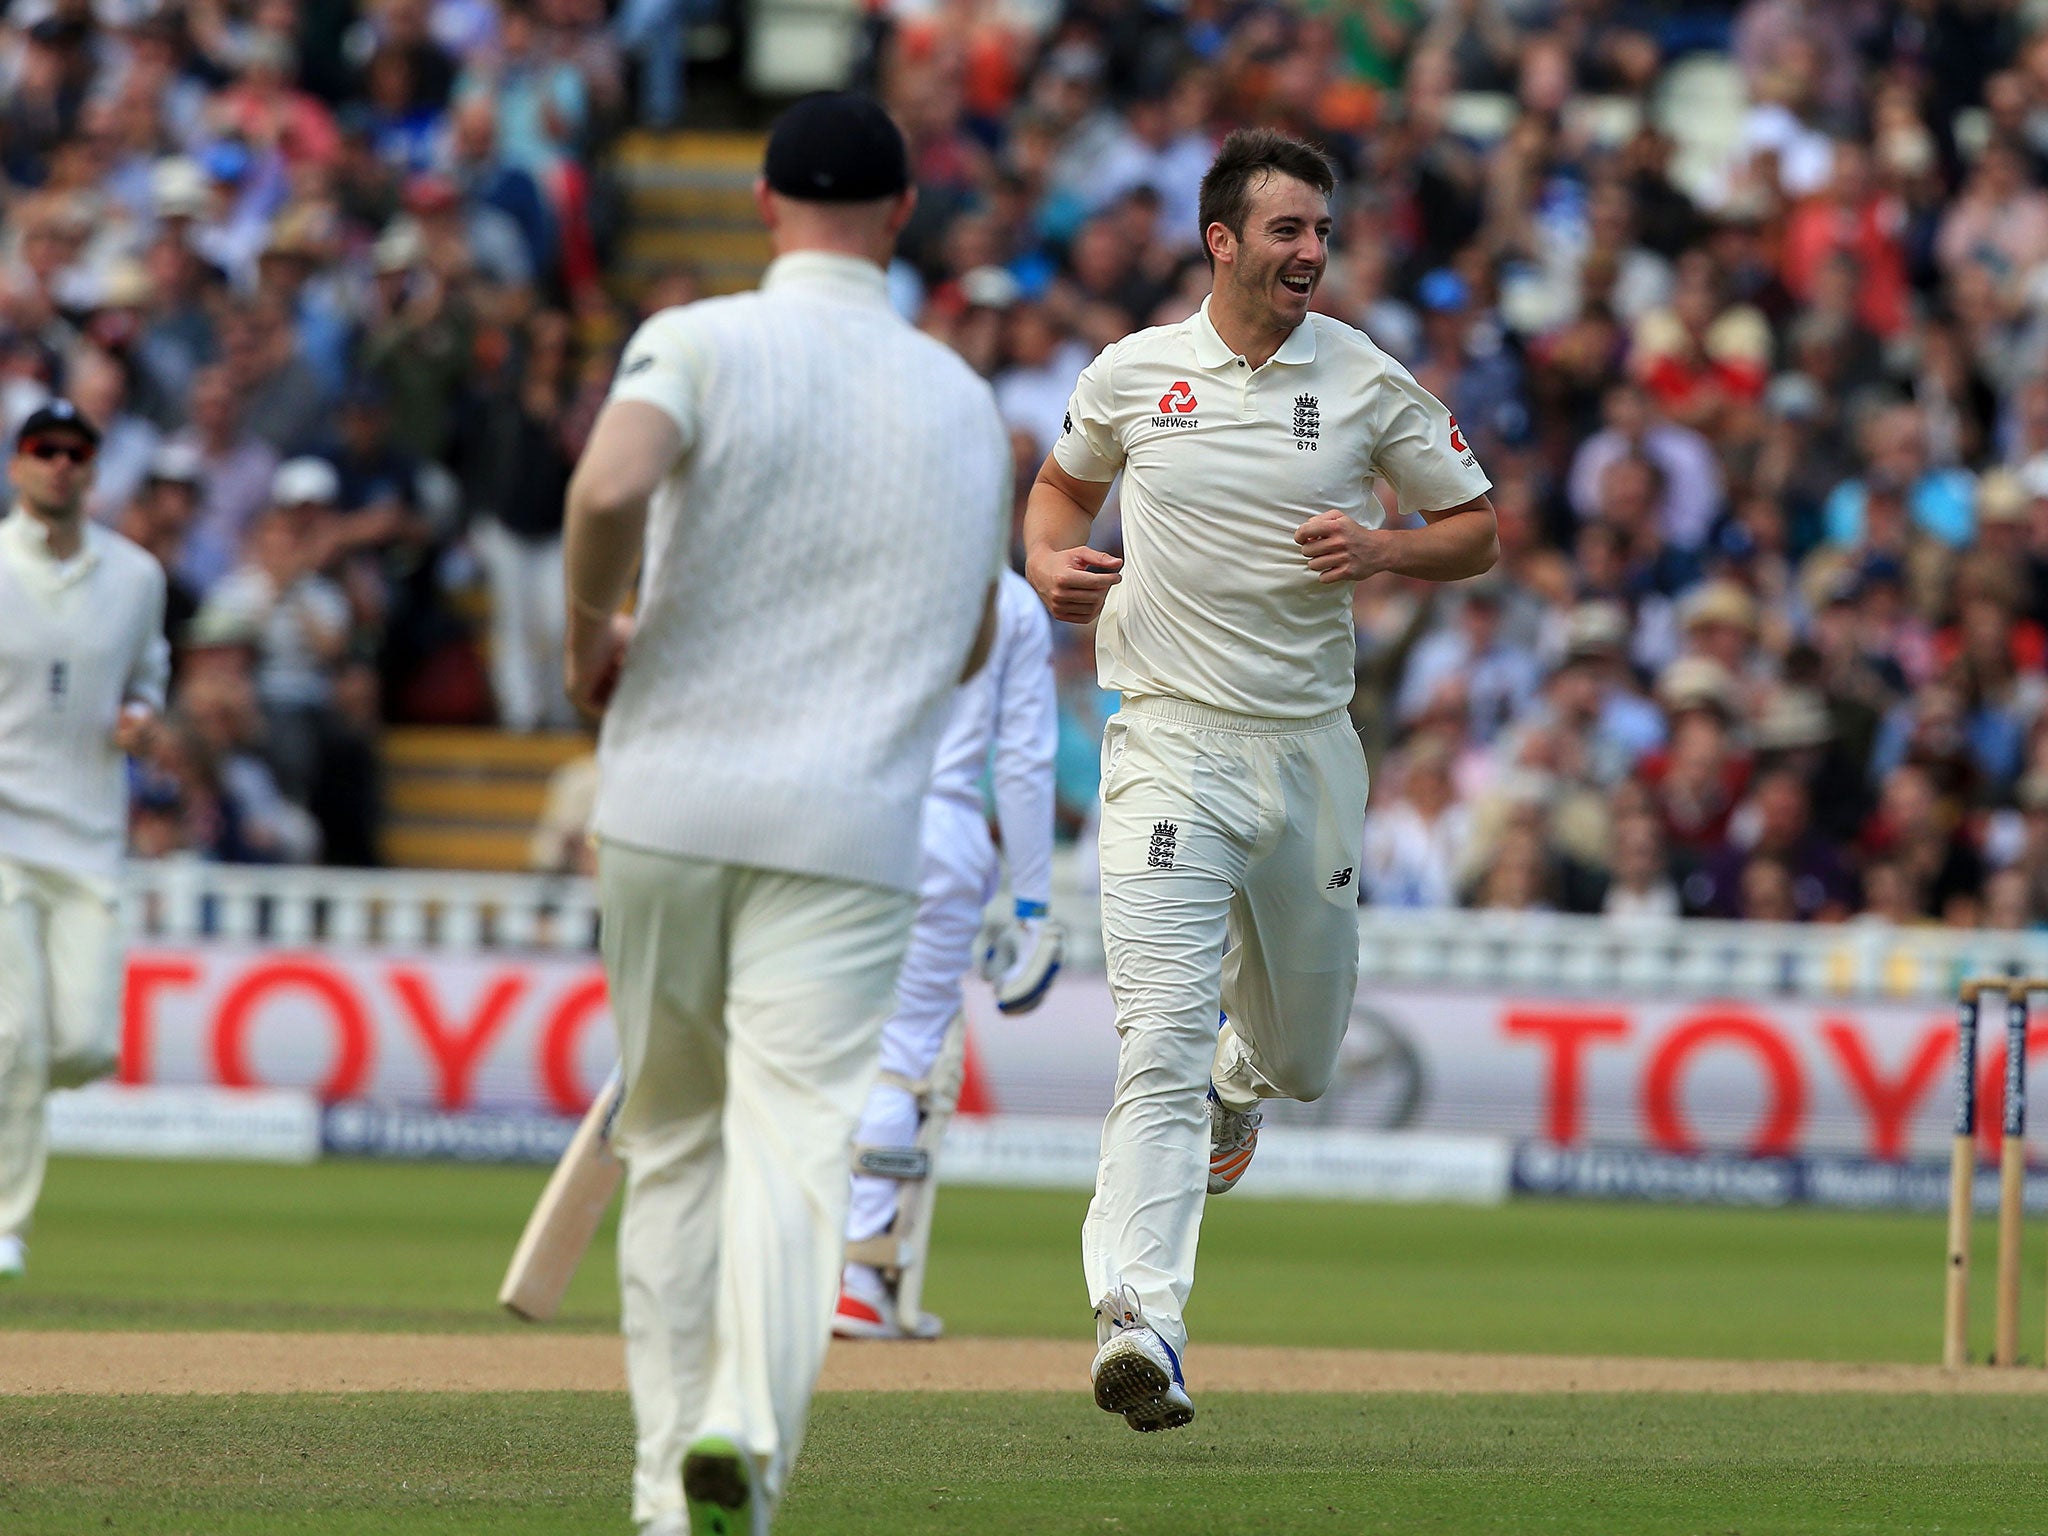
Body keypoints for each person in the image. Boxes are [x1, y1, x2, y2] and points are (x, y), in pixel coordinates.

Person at [558, 95, 1009, 1536]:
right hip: (854, 828)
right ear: (903, 214)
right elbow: (967, 653)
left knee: (678, 1143)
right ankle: (744, 1437)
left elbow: (609, 482)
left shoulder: (700, 340)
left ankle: (660, 1484)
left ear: (761, 202)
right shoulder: (958, 400)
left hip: (668, 805)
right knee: (795, 1150)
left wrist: (589, 637)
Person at [1022, 127, 1498, 1432]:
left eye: (1323, 233)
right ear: (1220, 240)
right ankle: (1141, 1320)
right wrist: (1049, 562)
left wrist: (1385, 550)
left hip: (1307, 749)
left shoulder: (1364, 380)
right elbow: (1056, 498)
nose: (1311, 254)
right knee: (1154, 1043)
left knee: (1303, 1057)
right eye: (1287, 231)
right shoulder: (1133, 376)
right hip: (1169, 741)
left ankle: (1250, 1073)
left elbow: (1479, 528)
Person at [833, 567, 1063, 1342]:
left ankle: (773, 1264)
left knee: (804, 1042)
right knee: (900, 1058)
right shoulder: (1008, 599)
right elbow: (1025, 761)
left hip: (819, 818)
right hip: (937, 830)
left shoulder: (843, 551)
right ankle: (858, 1280)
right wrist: (1032, 908)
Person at [0, 401, 169, 1279]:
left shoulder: (136, 578)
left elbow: (150, 673)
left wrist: (142, 716)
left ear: (94, 469)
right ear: (19, 464)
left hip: (90, 837)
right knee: (16, 1036)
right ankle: (5, 1226)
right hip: (2, 834)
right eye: (45, 450)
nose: (61, 465)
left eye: (77, 452)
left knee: (86, 1045)